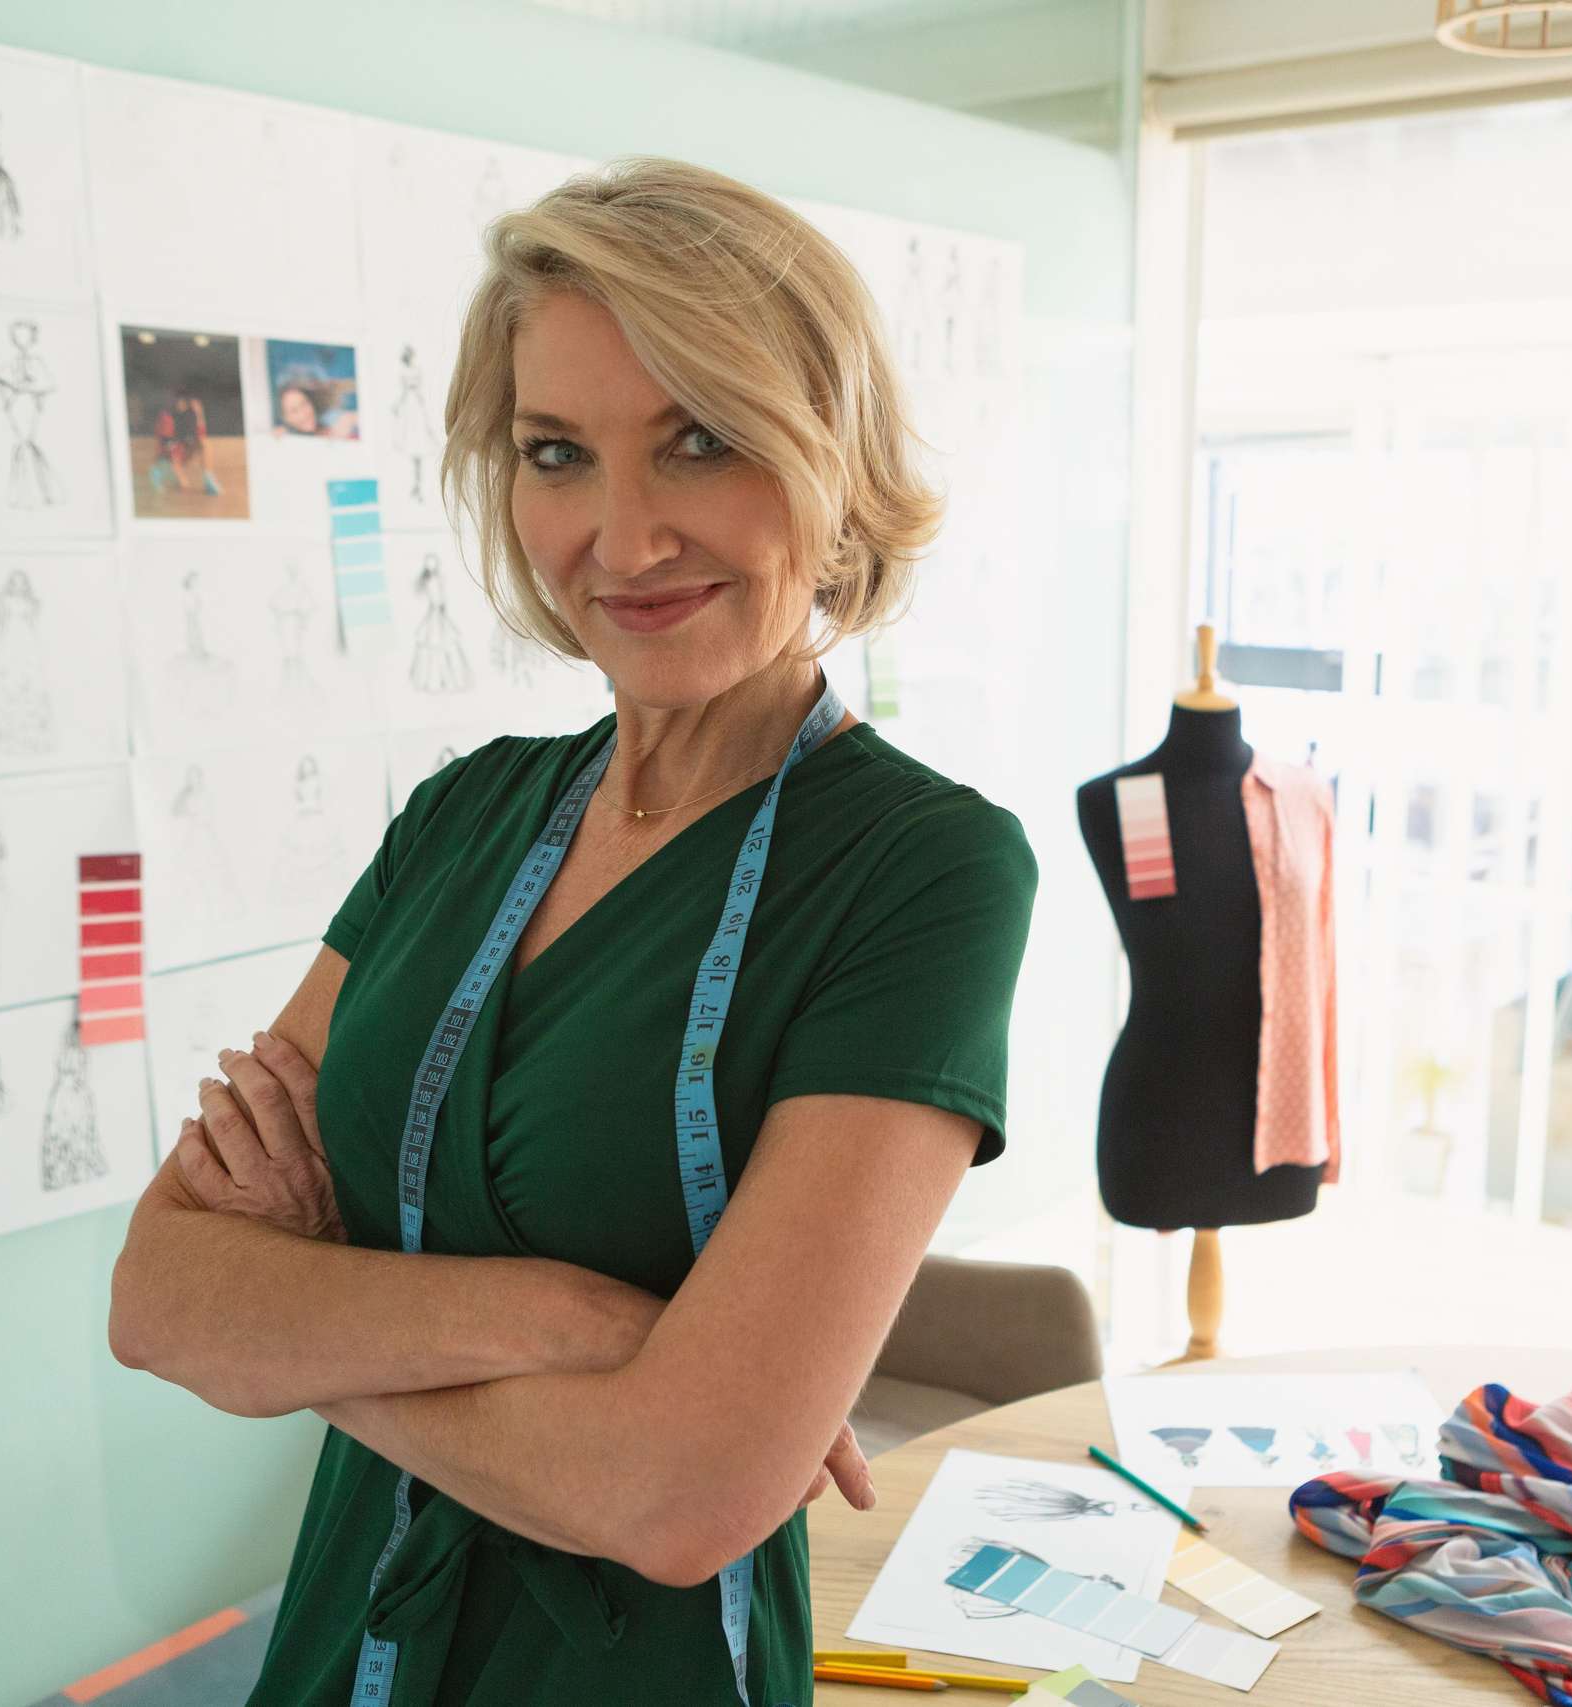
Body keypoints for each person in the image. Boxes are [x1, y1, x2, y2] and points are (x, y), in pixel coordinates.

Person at [108, 157, 1037, 1706]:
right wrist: (577, 1325)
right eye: (557, 454)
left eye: (700, 441)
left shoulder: (921, 871)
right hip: (341, 1646)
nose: (623, 536)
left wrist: (306, 1319)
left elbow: (679, 1501)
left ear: (833, 453)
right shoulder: (460, 817)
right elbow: (159, 1296)